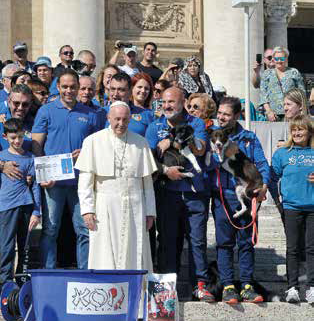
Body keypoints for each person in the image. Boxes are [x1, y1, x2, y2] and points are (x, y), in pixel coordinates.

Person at [145, 87, 213, 302]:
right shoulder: (154, 126)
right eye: (164, 102)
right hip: (167, 192)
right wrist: (166, 171)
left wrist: (175, 140)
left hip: (195, 193)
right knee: (167, 241)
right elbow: (148, 158)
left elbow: (200, 149)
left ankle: (199, 285)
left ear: (183, 103)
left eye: (171, 102)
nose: (167, 106)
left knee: (197, 241)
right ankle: (166, 287)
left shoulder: (196, 123)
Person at [76, 101, 157, 270]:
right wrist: (87, 210)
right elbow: (85, 181)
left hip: (135, 205)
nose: (121, 124)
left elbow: (147, 183)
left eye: (125, 120)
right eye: (117, 119)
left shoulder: (140, 142)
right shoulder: (93, 141)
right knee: (104, 251)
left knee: (135, 251)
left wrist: (150, 212)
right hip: (105, 205)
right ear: (108, 118)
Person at [32, 69, 99, 269]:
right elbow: (36, 145)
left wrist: (86, 153)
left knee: (85, 230)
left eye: (73, 87)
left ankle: (86, 273)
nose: (69, 91)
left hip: (81, 182)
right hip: (54, 182)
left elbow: (97, 146)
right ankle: (48, 272)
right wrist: (44, 175)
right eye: (65, 87)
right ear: (58, 87)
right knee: (51, 230)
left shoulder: (90, 114)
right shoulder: (46, 111)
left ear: (78, 88)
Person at [208, 96, 269, 304]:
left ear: (236, 115)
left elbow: (261, 164)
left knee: (246, 244)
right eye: (219, 113)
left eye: (226, 114)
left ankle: (247, 285)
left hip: (246, 197)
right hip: (222, 198)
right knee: (224, 244)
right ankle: (227, 286)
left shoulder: (248, 138)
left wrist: (263, 187)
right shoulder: (212, 137)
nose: (221, 117)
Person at [0, 118, 41, 300]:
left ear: (24, 134)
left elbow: (35, 186)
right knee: (6, 247)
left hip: (26, 206)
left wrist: (36, 211)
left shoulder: (30, 158)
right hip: (6, 207)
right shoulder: (1, 157)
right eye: (12, 138)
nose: (17, 141)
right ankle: (3, 284)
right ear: (5, 137)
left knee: (24, 246)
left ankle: (21, 282)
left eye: (19, 137)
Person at [269, 115, 314, 303]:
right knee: (292, 249)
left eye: (301, 129)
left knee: (312, 248)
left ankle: (311, 287)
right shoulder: (282, 153)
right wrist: (278, 202)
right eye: (294, 129)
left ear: (310, 131)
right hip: (291, 206)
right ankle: (292, 288)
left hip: (313, 207)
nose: (296, 133)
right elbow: (271, 178)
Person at [260, 46, 306, 122]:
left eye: (282, 58)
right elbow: (263, 96)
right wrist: (269, 111)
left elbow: (301, 93)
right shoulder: (266, 74)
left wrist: (300, 110)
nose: (279, 61)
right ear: (273, 59)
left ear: (286, 59)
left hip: (292, 114)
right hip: (273, 116)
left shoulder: (294, 72)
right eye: (277, 59)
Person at [105, 72, 154, 137]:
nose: (115, 94)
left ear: (130, 91)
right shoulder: (101, 113)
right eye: (113, 89)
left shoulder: (147, 115)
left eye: (121, 90)